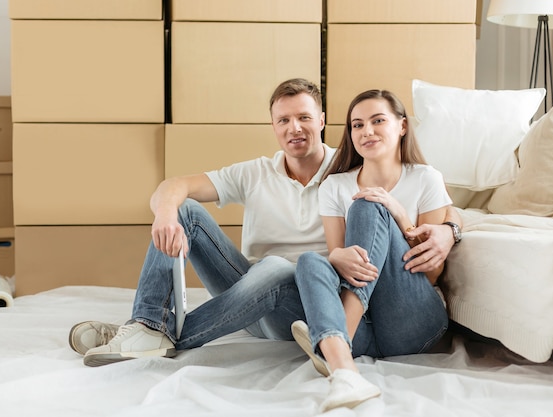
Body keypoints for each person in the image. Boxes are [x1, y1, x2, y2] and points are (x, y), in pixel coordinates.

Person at [68, 79, 461, 373]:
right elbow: (174, 187)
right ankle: (145, 323)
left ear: (323, 121)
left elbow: (436, 207)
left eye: (305, 117)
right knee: (187, 212)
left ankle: (157, 335)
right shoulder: (258, 172)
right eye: (284, 120)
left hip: (309, 301)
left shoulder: (348, 170)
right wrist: (166, 213)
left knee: (280, 267)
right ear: (273, 126)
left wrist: (451, 228)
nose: (295, 128)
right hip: (249, 292)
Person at [291, 89, 459, 412]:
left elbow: (433, 272)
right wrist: (334, 256)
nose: (366, 131)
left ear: (402, 127)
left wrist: (398, 213)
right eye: (356, 125)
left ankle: (335, 342)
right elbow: (344, 264)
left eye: (377, 121)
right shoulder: (334, 186)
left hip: (414, 317)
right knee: (310, 261)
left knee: (369, 205)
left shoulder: (426, 179)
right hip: (368, 328)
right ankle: (345, 368)